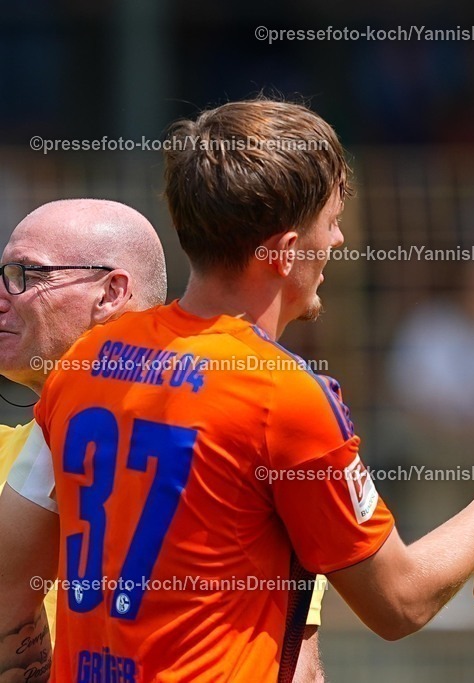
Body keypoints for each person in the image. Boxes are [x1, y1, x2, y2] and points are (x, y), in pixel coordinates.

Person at [26, 99, 474, 682]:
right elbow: (400, 603)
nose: (339, 241)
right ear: (287, 252)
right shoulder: (281, 394)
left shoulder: (85, 360)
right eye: (332, 221)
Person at [0, 199, 328, 681]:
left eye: (26, 274)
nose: (4, 294)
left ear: (111, 293)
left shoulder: (234, 453)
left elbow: (295, 664)